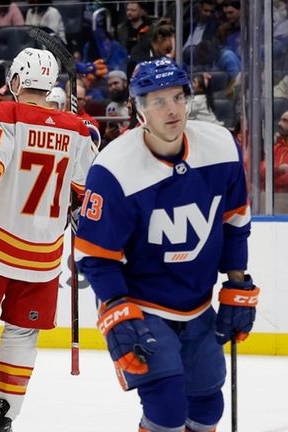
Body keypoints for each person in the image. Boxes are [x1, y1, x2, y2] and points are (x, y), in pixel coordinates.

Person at [74, 57, 256, 432]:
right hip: (141, 302)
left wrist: (237, 282)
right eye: (157, 101)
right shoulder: (114, 169)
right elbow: (95, 256)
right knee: (167, 406)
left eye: (177, 97)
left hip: (197, 300)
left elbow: (235, 220)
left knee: (207, 405)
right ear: (138, 109)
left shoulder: (221, 145)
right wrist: (116, 307)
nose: (172, 110)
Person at [0, 48, 96, 431]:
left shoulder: (5, 114)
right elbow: (84, 192)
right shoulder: (75, 129)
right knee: (22, 334)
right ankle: (3, 416)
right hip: (43, 255)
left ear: (14, 82)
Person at [261, 109, 288, 213]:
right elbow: (262, 172)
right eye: (281, 120)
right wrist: (280, 169)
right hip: (271, 199)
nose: (279, 123)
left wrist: (271, 173)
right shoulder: (276, 147)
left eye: (285, 121)